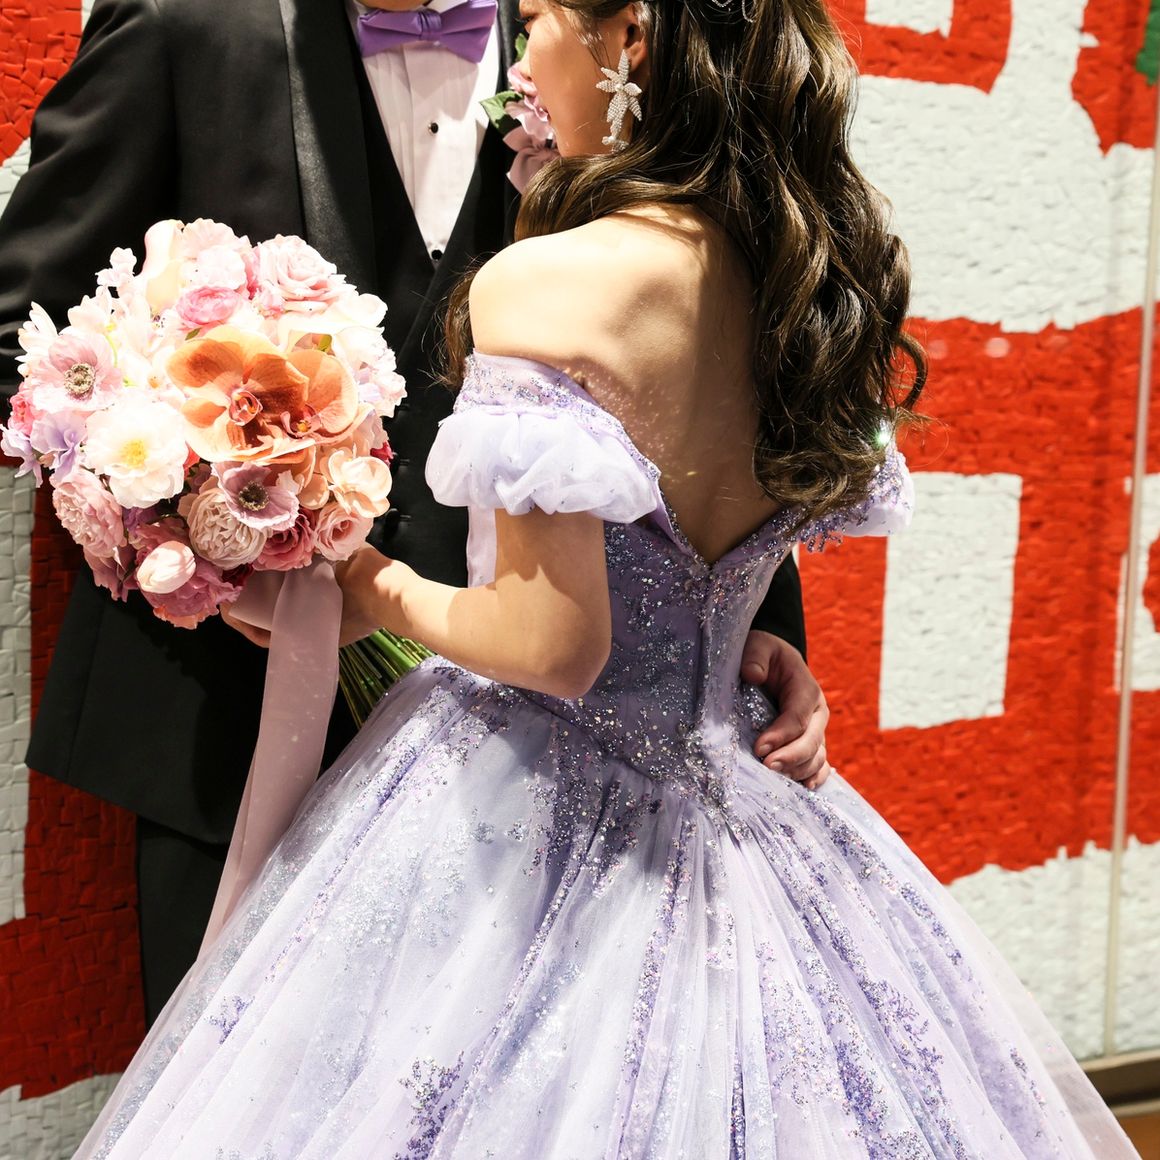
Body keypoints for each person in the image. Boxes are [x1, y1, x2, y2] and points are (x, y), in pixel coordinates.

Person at [73, 0, 1139, 1155]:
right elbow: (716, 554)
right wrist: (730, 636)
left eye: (537, 21)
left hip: (535, 800)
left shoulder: (550, 283)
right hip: (738, 784)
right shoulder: (808, 272)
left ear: (628, 37)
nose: (521, 58)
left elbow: (554, 644)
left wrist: (367, 584)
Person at [0, 0, 822, 1024]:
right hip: (230, 726)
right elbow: (25, 336)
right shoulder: (186, 19)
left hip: (536, 773)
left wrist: (741, 632)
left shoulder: (579, 35)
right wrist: (189, 512)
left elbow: (689, 367)